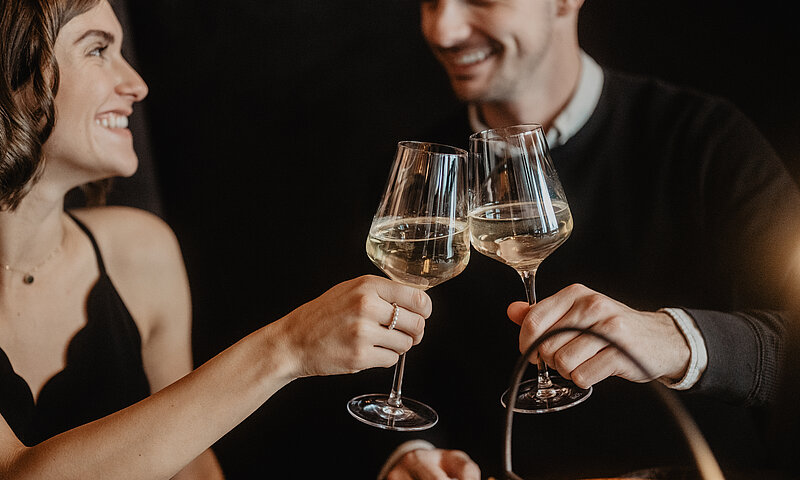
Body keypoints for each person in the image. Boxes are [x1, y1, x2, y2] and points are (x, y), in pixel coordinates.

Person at [0, 0, 431, 478]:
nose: (136, 84)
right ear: (11, 72)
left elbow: (192, 466)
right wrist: (287, 346)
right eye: (98, 50)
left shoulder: (141, 250)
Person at [381, 0, 800, 478]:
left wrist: (675, 338)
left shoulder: (704, 137)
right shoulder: (417, 178)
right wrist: (407, 452)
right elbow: (375, 369)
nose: (443, 30)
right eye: (430, 1)